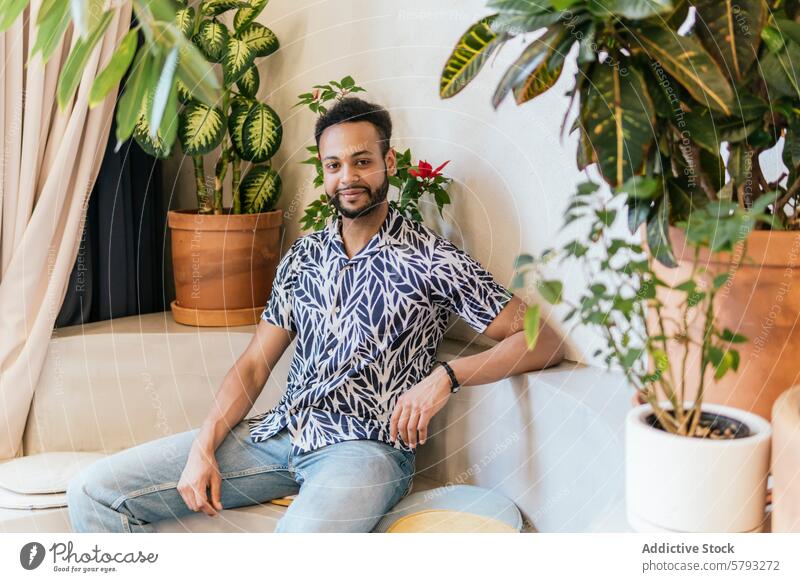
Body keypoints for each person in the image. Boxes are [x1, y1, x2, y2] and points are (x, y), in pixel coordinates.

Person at [66, 98, 565, 533]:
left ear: (389, 162)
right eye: (333, 165)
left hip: (366, 449)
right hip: (279, 434)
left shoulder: (433, 258)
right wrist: (204, 446)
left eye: (362, 161)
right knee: (92, 492)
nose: (347, 177)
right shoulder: (303, 255)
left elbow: (542, 340)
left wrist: (446, 376)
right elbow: (255, 365)